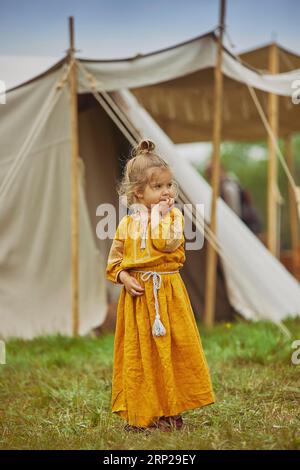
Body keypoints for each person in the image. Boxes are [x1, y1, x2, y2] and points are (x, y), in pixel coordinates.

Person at [106, 138, 215, 433]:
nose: (167, 192)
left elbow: (164, 243)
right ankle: (143, 413)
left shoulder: (173, 218)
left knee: (170, 352)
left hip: (166, 296)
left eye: (170, 186)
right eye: (159, 187)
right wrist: (125, 278)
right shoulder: (126, 224)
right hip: (138, 300)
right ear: (138, 192)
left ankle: (170, 412)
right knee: (141, 355)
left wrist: (158, 215)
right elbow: (115, 261)